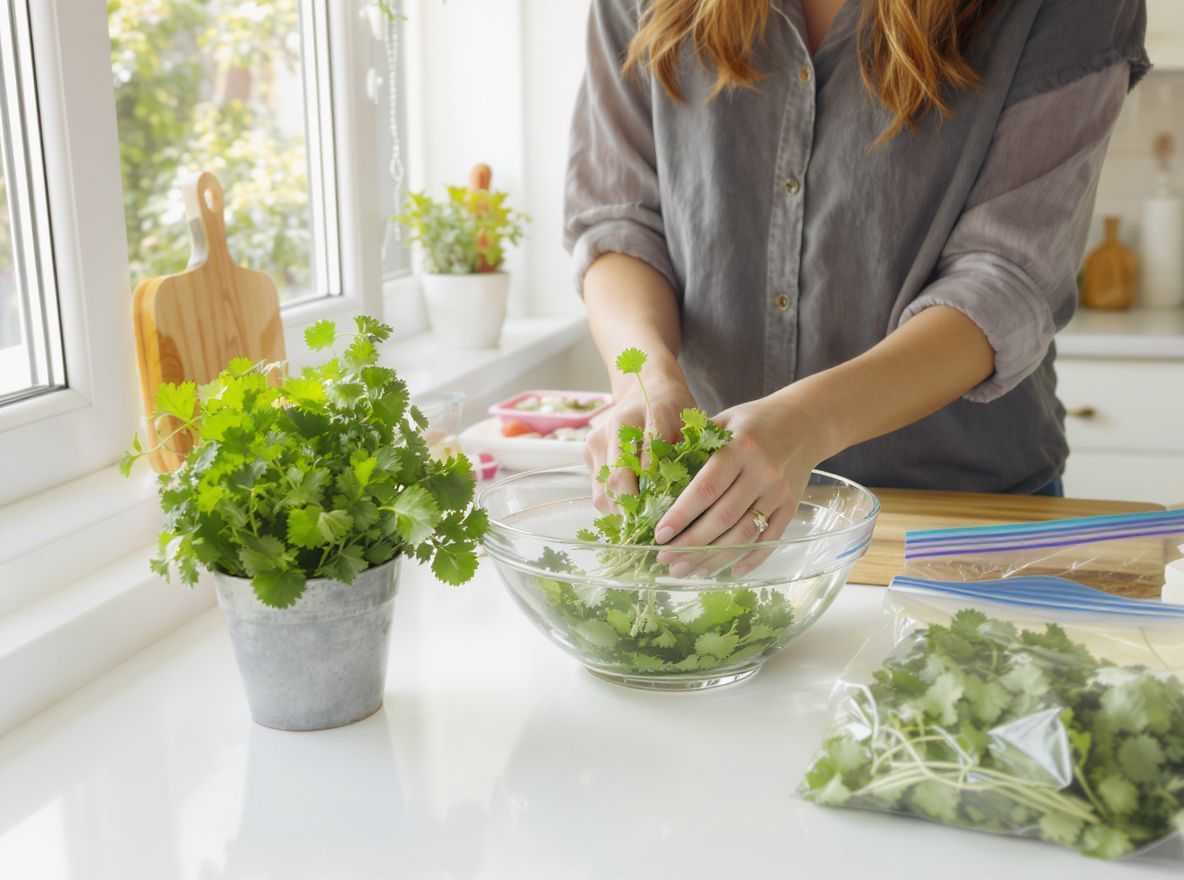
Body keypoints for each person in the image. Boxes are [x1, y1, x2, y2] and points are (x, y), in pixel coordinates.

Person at [564, 0, 1147, 554]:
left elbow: (1003, 281)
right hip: (713, 516)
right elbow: (620, 221)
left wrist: (807, 420)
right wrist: (646, 381)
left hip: (959, 514)